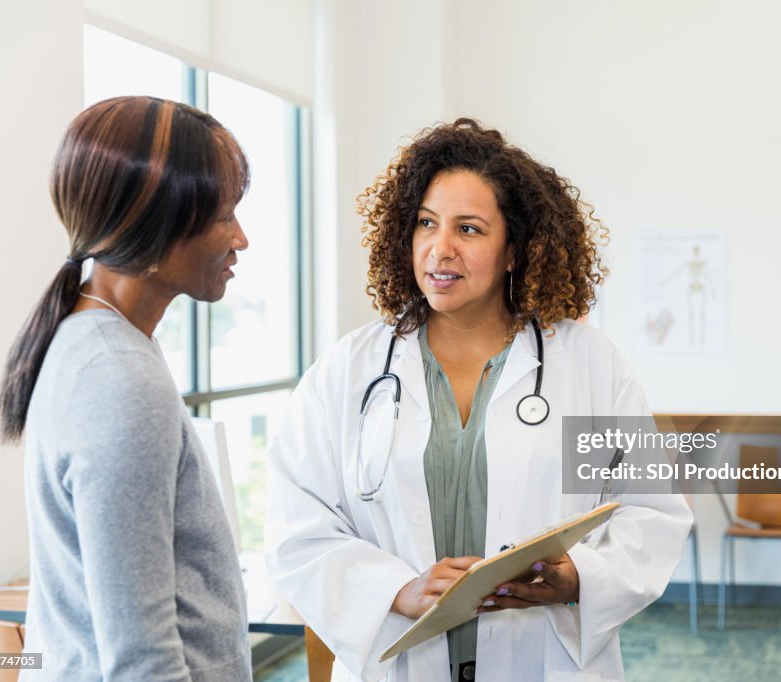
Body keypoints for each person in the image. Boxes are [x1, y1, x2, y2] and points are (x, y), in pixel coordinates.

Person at [266, 119, 692, 682]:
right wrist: (396, 589)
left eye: (469, 229)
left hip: (540, 659)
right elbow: (298, 524)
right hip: (401, 660)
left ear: (514, 250)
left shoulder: (587, 363)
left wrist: (581, 576)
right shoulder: (351, 369)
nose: (440, 249)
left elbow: (649, 510)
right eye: (426, 224)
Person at [0, 96, 253, 681]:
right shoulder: (119, 378)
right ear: (154, 224)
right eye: (223, 216)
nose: (241, 239)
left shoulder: (90, 340)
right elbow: (142, 659)